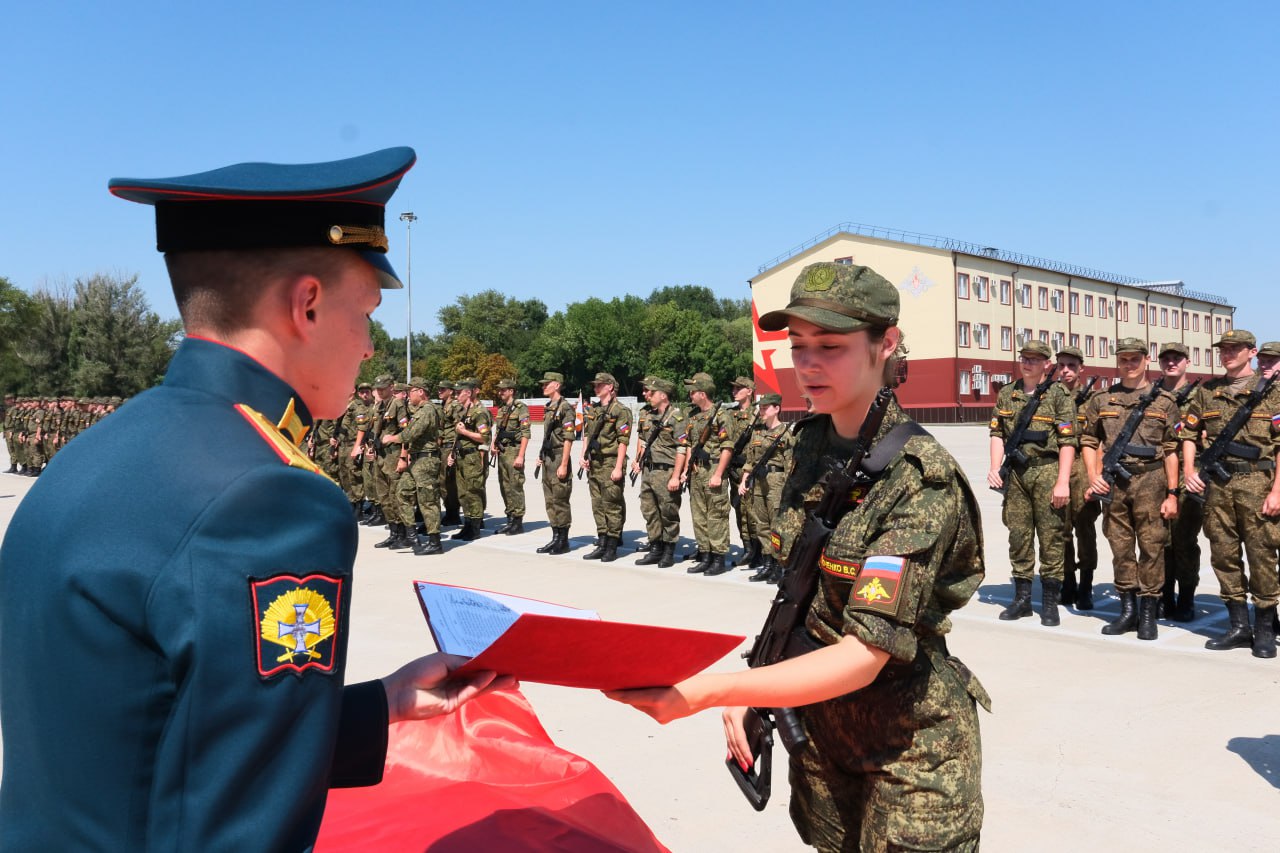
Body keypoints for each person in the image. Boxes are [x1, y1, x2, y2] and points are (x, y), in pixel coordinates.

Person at [0, 149, 513, 850]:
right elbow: (238, 825)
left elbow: (161, 734)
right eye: (366, 312)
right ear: (306, 305)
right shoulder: (272, 498)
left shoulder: (98, 449)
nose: (369, 348)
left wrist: (386, 703)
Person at [608, 262, 988, 851]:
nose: (808, 364)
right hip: (821, 735)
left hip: (908, 751)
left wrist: (717, 691)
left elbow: (866, 654)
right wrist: (759, 684)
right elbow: (802, 590)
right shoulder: (805, 445)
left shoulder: (919, 481)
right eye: (798, 345)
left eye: (831, 346)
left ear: (885, 345)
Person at [1181, 330, 1280, 658]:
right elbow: (1188, 434)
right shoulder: (1207, 391)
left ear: (1251, 352)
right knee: (1223, 555)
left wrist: (1277, 490)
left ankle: (1265, 627)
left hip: (1257, 484)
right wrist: (1188, 471)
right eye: (1223, 349)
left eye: (1234, 349)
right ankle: (1238, 626)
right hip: (1218, 487)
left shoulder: (1273, 393)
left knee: (1262, 555)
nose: (1227, 354)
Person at [1079, 338, 1181, 639]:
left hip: (1152, 480)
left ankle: (1148, 612)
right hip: (1115, 484)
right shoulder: (1101, 400)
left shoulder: (1164, 401)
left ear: (1146, 360)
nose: (1129, 364)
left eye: (1134, 359)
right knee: (1120, 547)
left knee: (1152, 547)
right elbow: (1088, 440)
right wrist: (1093, 475)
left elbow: (1171, 448)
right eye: (1123, 359)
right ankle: (1128, 611)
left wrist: (1173, 493)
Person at [988, 339, 1077, 626]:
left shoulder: (1059, 395)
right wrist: (994, 467)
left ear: (1046, 365)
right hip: (1016, 474)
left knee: (1051, 536)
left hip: (1047, 471)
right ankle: (1022, 599)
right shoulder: (1007, 394)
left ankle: (1049, 601)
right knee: (1019, 536)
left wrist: (1063, 481)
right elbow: (997, 433)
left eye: (1035, 359)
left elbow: (1067, 441)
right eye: (1025, 358)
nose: (1028, 363)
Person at [1156, 342, 1201, 621]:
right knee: (1159, 540)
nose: (1171, 363)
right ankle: (1164, 595)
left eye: (1177, 358)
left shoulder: (1201, 396)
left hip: (1188, 475)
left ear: (1186, 361)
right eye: (1166, 359)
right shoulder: (1152, 395)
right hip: (1154, 474)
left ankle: (1186, 597)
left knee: (1183, 540)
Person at [1056, 344, 1102, 609]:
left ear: (1081, 368)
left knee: (1085, 528)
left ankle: (1086, 585)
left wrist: (1095, 476)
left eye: (1071, 366)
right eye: (1061, 365)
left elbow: (1101, 439)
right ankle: (1068, 581)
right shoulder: (1050, 396)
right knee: (1060, 529)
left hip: (1084, 468)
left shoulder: (1095, 399)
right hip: (1059, 468)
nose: (1066, 370)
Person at [737, 393, 794, 584]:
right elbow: (750, 460)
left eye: (765, 408)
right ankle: (767, 564)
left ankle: (779, 566)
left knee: (776, 525)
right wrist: (744, 480)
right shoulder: (757, 432)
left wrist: (788, 488)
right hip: (758, 481)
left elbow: (790, 463)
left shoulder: (785, 433)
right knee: (761, 523)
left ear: (777, 408)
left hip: (776, 481)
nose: (762, 411)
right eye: (760, 408)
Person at [632, 377, 688, 568]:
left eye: (650, 392)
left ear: (663, 395)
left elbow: (682, 448)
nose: (645, 394)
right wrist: (637, 460)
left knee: (668, 512)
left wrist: (676, 476)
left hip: (666, 472)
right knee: (649, 510)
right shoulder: (647, 414)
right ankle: (655, 547)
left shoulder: (676, 417)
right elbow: (642, 438)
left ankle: (669, 550)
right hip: (648, 470)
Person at [683, 372, 734, 576]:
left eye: (693, 392)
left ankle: (718, 558)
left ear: (703, 394)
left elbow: (727, 446)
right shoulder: (693, 416)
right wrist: (689, 465)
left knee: (716, 515)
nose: (690, 395)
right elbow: (688, 443)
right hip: (697, 471)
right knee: (699, 515)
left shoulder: (721, 415)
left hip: (713, 468)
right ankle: (705, 555)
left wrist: (719, 474)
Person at [579, 372, 631, 562]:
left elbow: (623, 441)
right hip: (594, 462)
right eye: (595, 385)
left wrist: (618, 467)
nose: (596, 388)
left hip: (610, 461)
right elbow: (587, 433)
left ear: (610, 387)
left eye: (600, 385)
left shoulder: (620, 410)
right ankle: (602, 540)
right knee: (597, 504)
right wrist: (583, 454)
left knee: (612, 504)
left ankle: (612, 544)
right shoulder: (594, 410)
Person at [535, 371, 576, 554]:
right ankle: (555, 536)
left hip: (559, 456)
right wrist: (541, 455)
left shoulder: (565, 407)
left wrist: (564, 464)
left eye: (547, 384)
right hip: (548, 457)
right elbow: (547, 436)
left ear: (557, 385)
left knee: (560, 500)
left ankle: (563, 539)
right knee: (550, 500)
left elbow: (568, 438)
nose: (543, 387)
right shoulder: (549, 407)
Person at [449, 378, 492, 540]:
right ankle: (467, 524)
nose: (456, 395)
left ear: (468, 393)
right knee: (463, 493)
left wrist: (465, 432)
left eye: (459, 393)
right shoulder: (463, 411)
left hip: (472, 456)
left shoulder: (480, 412)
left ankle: (475, 527)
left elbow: (484, 437)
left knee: (473, 491)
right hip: (461, 456)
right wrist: (453, 453)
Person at [491, 378, 531, 535]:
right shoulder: (502, 410)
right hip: (502, 451)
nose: (500, 392)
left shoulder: (521, 408)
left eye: (503, 390)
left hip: (514, 451)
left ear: (511, 391)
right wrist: (494, 444)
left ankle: (517, 521)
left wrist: (521, 455)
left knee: (515, 485)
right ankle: (510, 518)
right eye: (499, 390)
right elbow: (499, 430)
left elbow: (526, 433)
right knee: (505, 486)